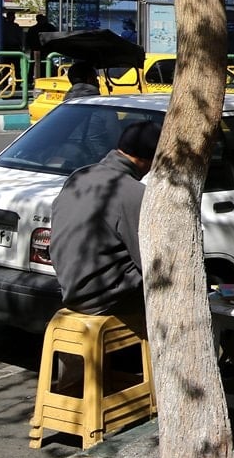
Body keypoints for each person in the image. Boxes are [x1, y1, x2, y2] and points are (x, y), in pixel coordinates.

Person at [49, 120, 162, 334]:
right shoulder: (134, 193)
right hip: (104, 299)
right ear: (149, 161)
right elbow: (148, 260)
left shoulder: (79, 176)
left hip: (68, 289)